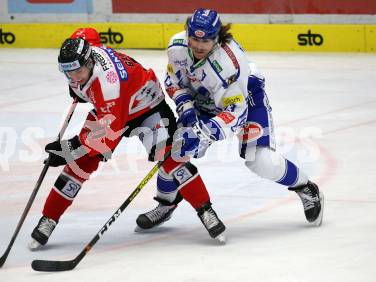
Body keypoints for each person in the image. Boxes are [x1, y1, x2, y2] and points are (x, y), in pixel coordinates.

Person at [28, 31, 227, 250]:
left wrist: (69, 149)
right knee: (79, 165)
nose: (74, 78)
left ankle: (205, 210)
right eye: (68, 73)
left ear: (90, 61)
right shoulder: (86, 56)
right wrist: (78, 88)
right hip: (113, 109)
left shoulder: (108, 85)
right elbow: (89, 35)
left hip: (147, 107)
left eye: (78, 72)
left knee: (173, 159)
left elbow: (107, 134)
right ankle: (49, 219)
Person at [136, 8, 324, 231]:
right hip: (203, 97)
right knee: (174, 150)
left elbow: (236, 112)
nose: (197, 45)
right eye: (194, 38)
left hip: (245, 98)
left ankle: (306, 188)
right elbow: (172, 80)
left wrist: (203, 133)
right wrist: (185, 106)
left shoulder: (228, 64)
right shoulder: (177, 47)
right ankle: (166, 203)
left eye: (205, 40)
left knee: (260, 160)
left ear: (216, 39)